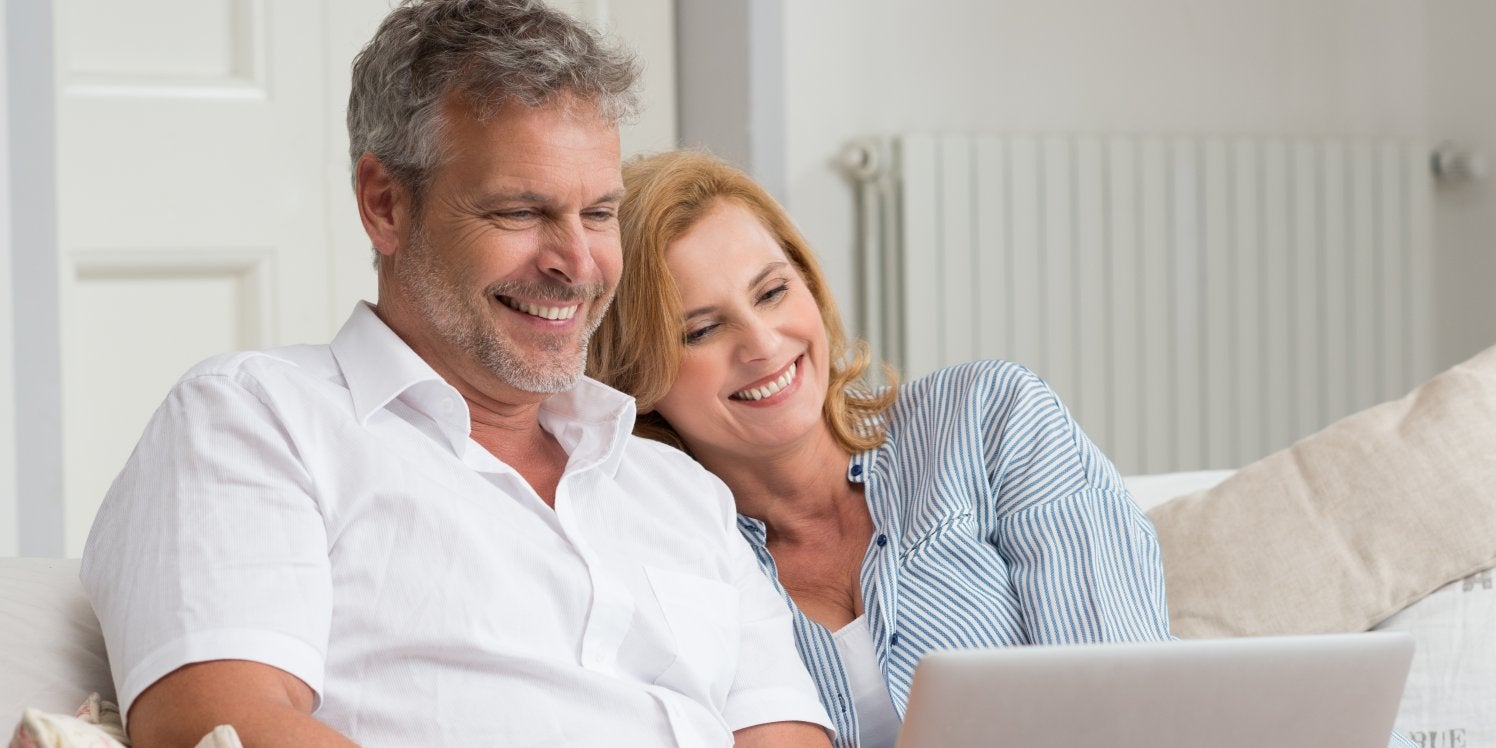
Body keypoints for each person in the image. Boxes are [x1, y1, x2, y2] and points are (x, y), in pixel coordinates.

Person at [79, 3, 833, 746]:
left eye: (599, 213)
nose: (577, 264)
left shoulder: (682, 493)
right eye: (519, 212)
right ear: (385, 206)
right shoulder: (259, 421)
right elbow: (219, 726)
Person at [587, 149, 1175, 748]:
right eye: (702, 330)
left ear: (810, 286)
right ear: (638, 375)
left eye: (771, 292)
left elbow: (1131, 693)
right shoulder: (673, 559)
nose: (763, 344)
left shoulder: (987, 418)